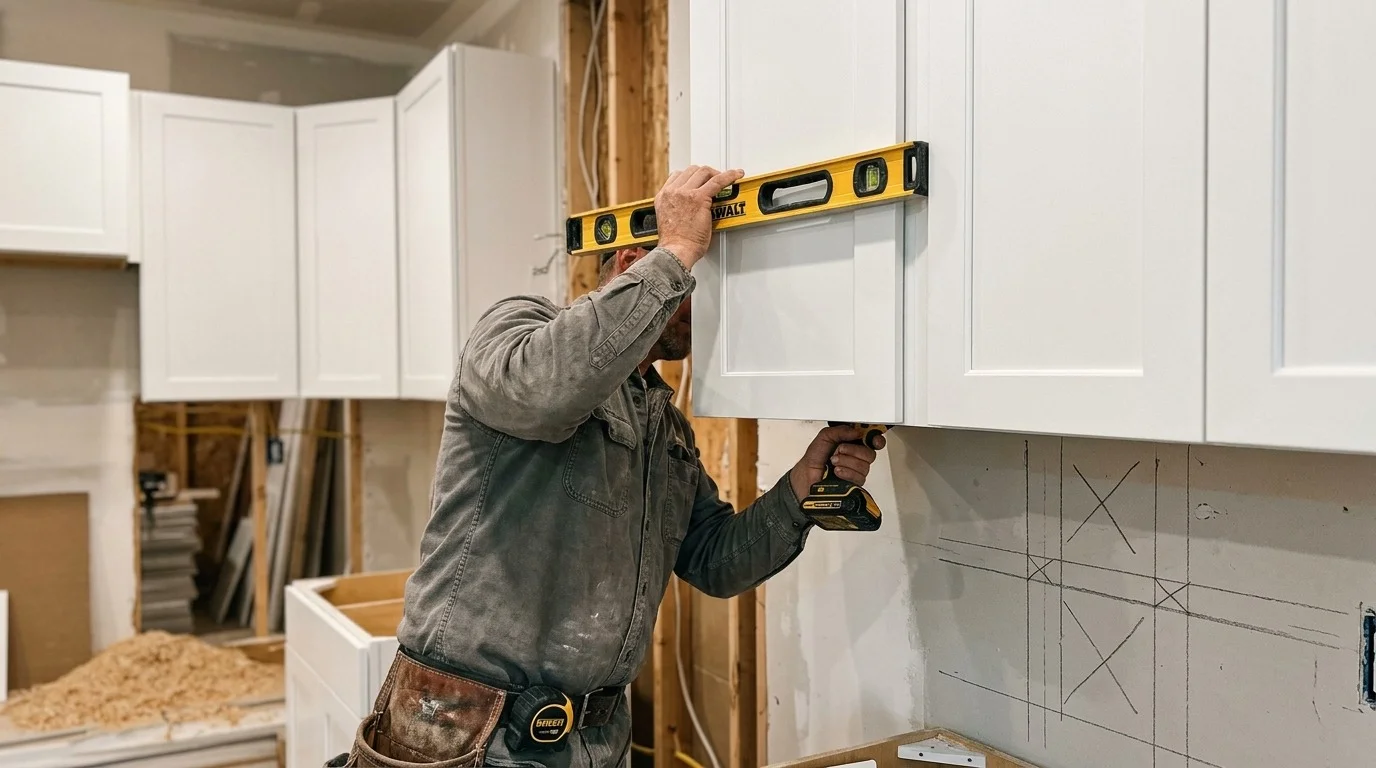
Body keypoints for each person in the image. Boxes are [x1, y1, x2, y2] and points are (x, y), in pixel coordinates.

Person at [331, 166, 886, 768]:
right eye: (705, 287)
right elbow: (545, 392)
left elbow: (715, 560)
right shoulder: (515, 330)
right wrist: (677, 251)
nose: (719, 314)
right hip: (466, 734)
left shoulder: (665, 430)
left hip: (592, 738)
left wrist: (800, 489)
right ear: (632, 264)